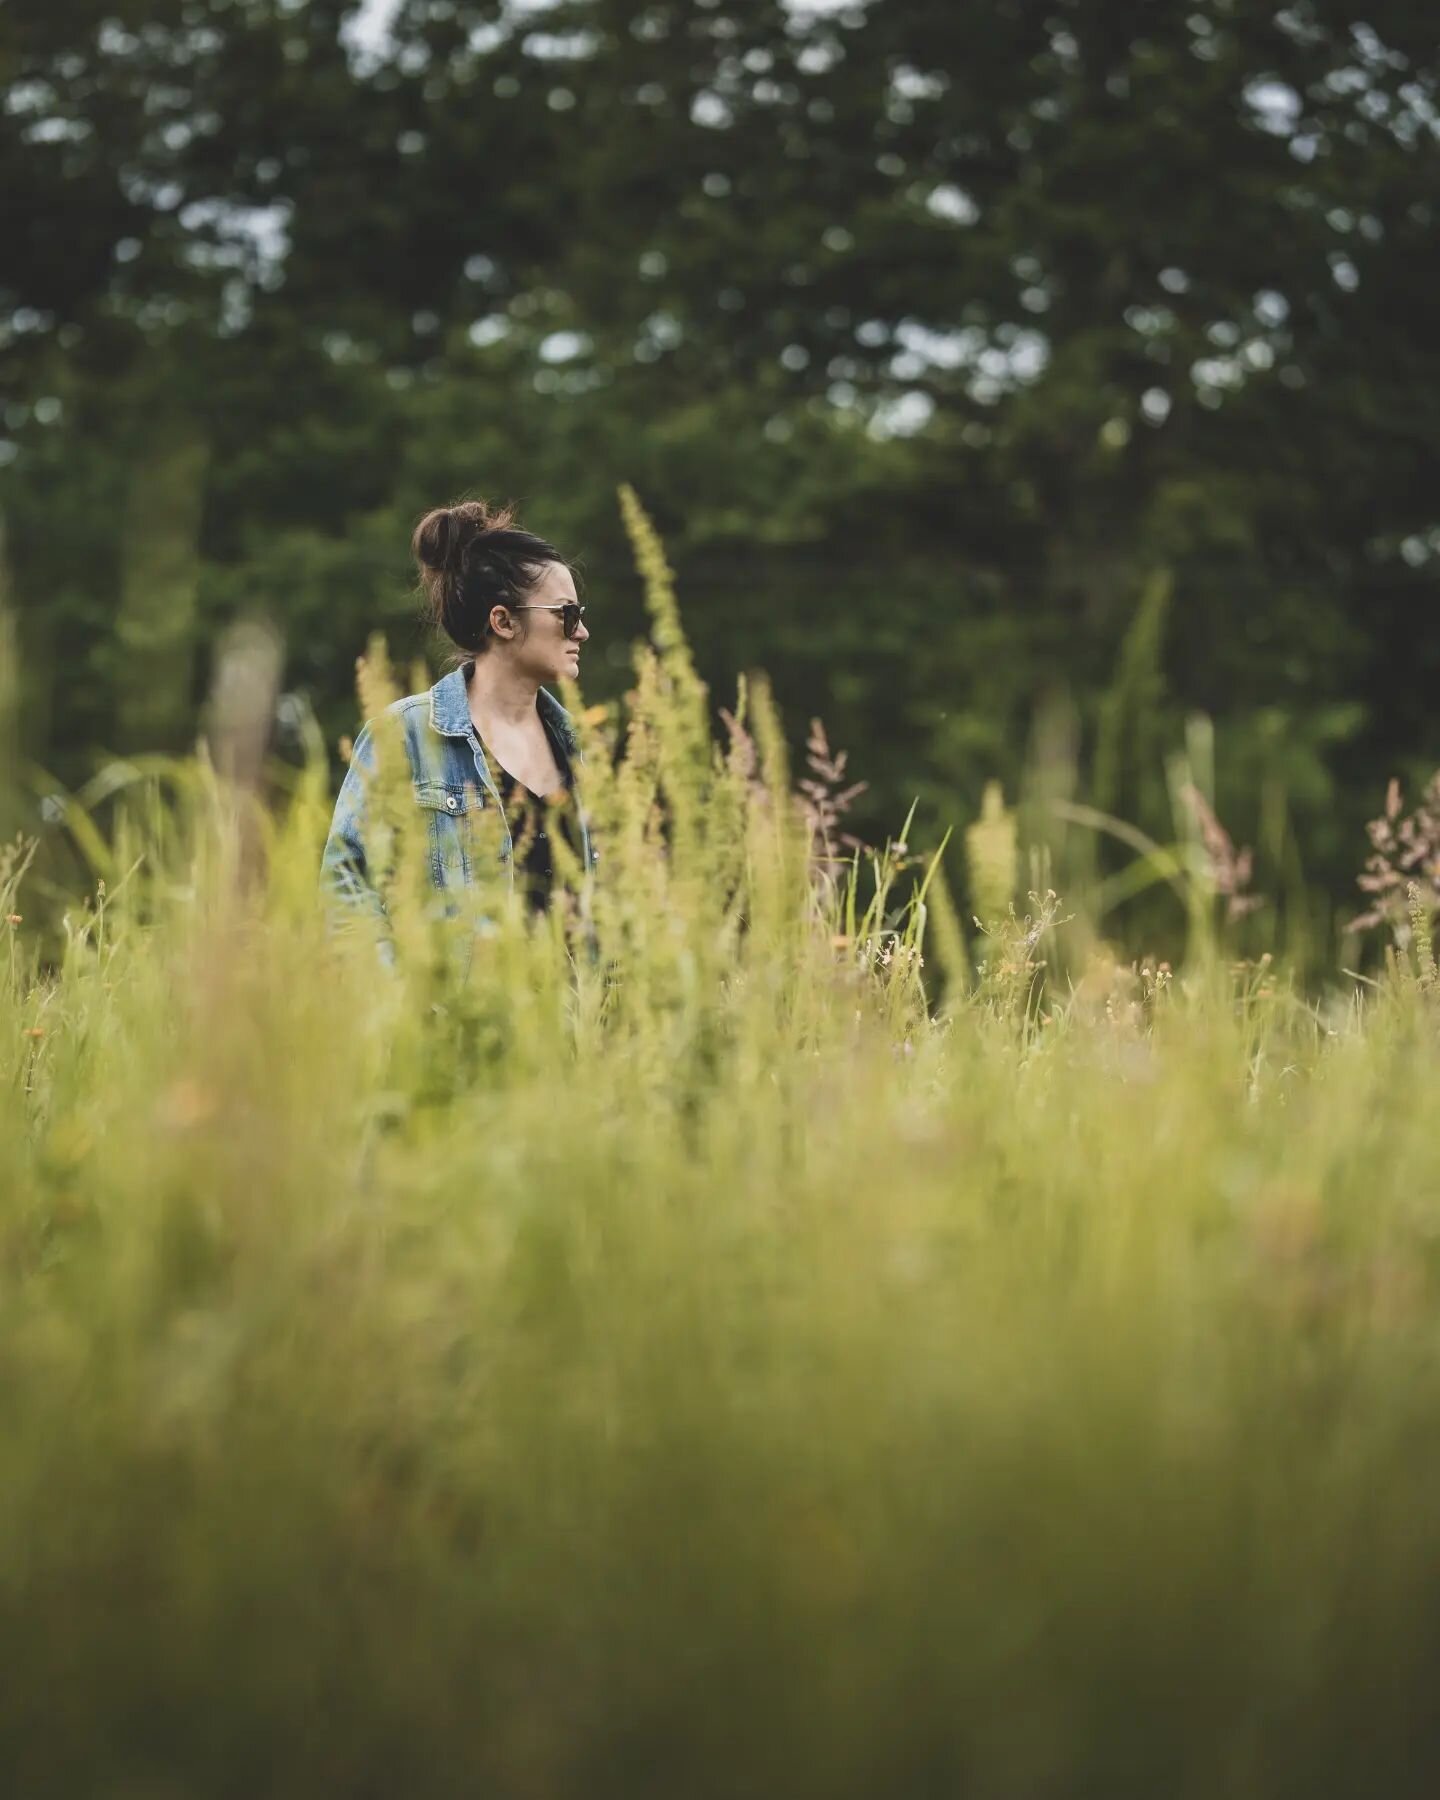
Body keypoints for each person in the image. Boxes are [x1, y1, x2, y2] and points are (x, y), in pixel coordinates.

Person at [320, 498, 596, 943]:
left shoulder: (582, 748)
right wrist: (408, 1002)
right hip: (459, 1011)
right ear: (503, 621)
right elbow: (346, 892)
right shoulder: (406, 736)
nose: (581, 631)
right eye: (567, 614)